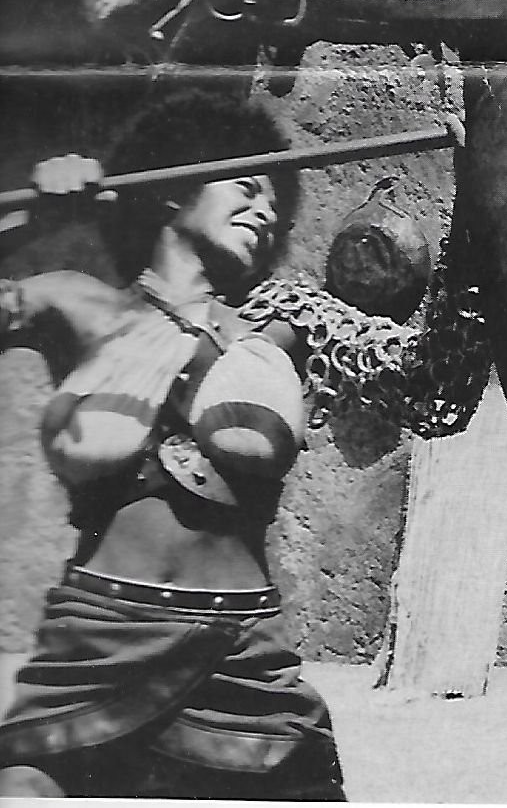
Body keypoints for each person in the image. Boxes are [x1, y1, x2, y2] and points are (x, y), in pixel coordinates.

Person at [0, 88, 345, 800]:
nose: (269, 210)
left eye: (276, 203)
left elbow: (431, 370)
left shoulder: (279, 329)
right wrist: (35, 213)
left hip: (246, 652)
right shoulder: (78, 303)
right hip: (96, 634)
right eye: (245, 187)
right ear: (167, 192)